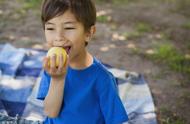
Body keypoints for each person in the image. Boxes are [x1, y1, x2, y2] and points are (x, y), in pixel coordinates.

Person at [37, 0, 128, 124]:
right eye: (51, 28)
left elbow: (115, 120)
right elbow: (51, 112)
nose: (58, 37)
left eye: (68, 27)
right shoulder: (53, 68)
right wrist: (57, 80)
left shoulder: (102, 78)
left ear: (88, 33)